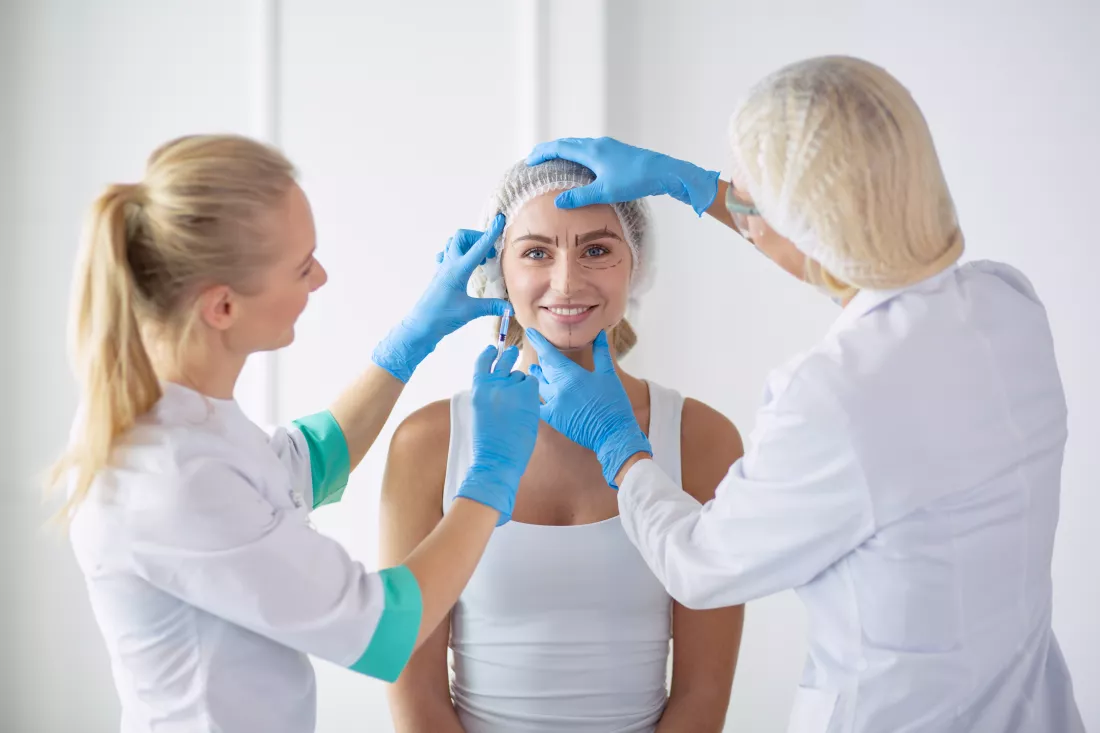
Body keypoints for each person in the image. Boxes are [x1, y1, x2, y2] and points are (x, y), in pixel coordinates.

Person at [521, 56, 1085, 732]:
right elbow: (852, 251)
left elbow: (700, 565)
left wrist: (618, 441)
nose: (565, 280)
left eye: (757, 199)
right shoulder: (1006, 302)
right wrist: (701, 189)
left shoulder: (836, 397)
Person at [48, 134, 541, 733]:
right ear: (222, 307)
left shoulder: (186, 416)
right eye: (303, 266)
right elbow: (384, 630)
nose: (322, 277)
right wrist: (490, 477)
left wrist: (411, 340)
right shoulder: (172, 476)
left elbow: (304, 465)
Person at [380, 159, 744, 733]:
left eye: (597, 250)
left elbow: (703, 696)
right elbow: (412, 689)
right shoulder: (429, 444)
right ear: (496, 268)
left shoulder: (701, 440)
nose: (568, 281)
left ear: (635, 266)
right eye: (535, 252)